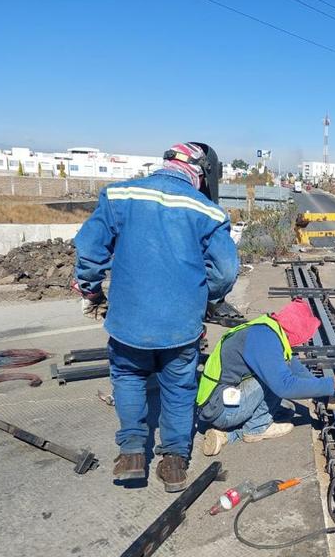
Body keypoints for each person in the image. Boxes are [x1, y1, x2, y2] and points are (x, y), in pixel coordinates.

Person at [74, 142, 239, 492]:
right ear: (200, 172)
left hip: (127, 323)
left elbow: (89, 250)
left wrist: (91, 290)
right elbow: (225, 272)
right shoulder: (208, 211)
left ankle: (133, 453)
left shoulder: (119, 195)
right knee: (178, 388)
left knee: (129, 378)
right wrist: (202, 295)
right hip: (181, 325)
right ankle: (175, 463)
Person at [197, 299, 335, 456]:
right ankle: (255, 429)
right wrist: (331, 383)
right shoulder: (264, 340)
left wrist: (329, 398)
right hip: (220, 409)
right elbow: (284, 385)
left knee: (287, 410)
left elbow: (298, 371)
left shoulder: (271, 331)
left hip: (220, 403)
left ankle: (225, 435)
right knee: (277, 382)